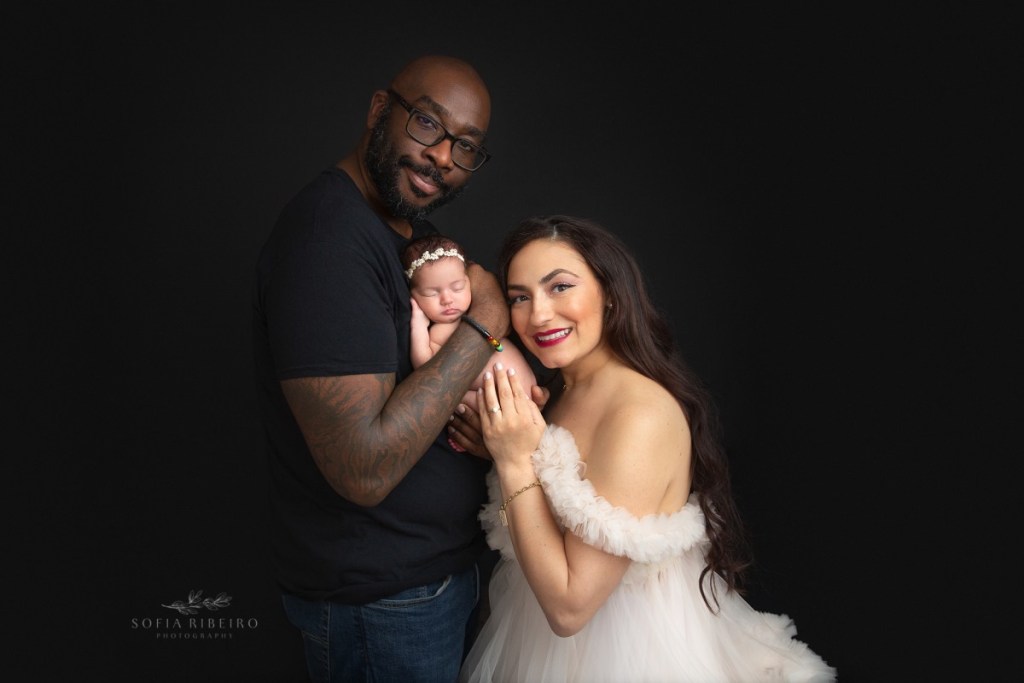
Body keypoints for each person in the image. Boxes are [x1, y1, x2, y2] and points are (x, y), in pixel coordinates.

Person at [252, 55, 545, 683]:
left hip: (431, 584)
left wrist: (473, 426)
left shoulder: (409, 237)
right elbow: (363, 467)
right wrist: (485, 319)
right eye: (428, 125)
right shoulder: (327, 242)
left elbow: (424, 391)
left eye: (465, 146)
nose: (443, 156)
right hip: (380, 606)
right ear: (381, 110)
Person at [458, 215, 837, 682]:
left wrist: (514, 460)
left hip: (626, 657)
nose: (538, 315)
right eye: (520, 296)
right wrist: (503, 447)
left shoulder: (639, 414)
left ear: (611, 293)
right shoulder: (560, 392)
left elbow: (571, 608)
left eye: (560, 287)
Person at [402, 233, 538, 431]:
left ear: (469, 281)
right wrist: (418, 326)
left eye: (457, 288)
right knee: (450, 397)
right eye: (431, 293)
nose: (447, 299)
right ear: (413, 296)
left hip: (521, 397)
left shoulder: (479, 310)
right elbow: (424, 367)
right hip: (499, 403)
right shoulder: (440, 332)